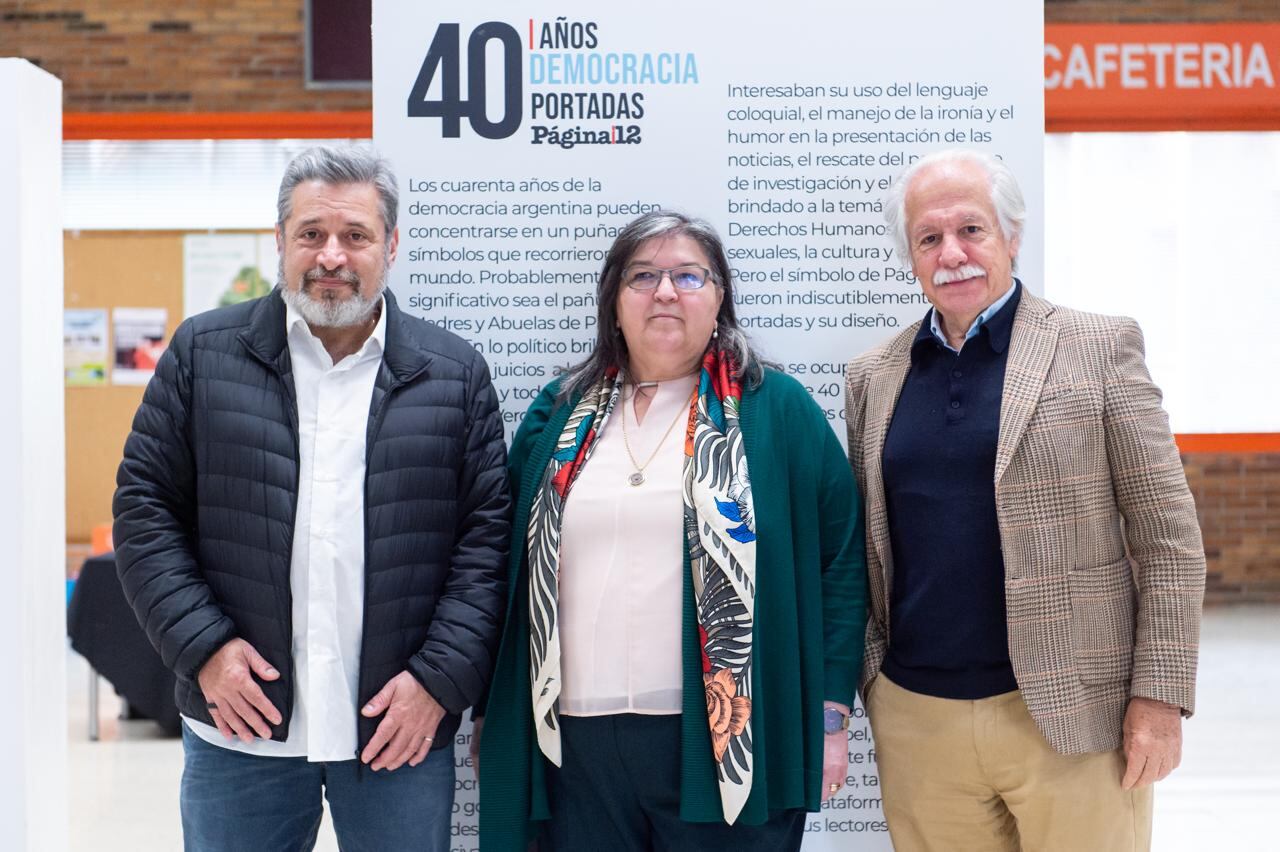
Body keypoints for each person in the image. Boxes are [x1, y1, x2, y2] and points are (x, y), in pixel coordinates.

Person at [112, 145, 511, 851]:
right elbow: (144, 513)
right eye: (311, 234)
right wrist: (204, 649)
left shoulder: (455, 375)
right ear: (280, 241)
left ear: (390, 245)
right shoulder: (203, 355)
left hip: (397, 731)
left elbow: (486, 545)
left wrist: (437, 684)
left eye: (355, 235)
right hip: (241, 728)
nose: (331, 255)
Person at [844, 148, 1206, 852]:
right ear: (911, 257)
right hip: (920, 723)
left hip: (1073, 721)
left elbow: (1169, 539)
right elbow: (870, 547)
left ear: (1011, 236)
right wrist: (874, 686)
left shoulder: (1099, 348)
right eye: (930, 238)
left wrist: (1159, 699)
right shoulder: (872, 378)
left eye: (971, 230)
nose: (952, 253)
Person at [475, 210, 867, 851]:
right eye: (642, 276)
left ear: (719, 298)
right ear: (614, 300)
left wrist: (829, 717)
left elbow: (842, 563)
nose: (664, 291)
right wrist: (494, 713)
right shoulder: (557, 413)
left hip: (724, 740)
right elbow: (504, 571)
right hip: (572, 745)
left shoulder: (776, 410)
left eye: (688, 275)